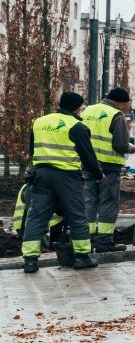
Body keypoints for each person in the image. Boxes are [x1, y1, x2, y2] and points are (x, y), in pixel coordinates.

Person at [20, 92, 104, 273]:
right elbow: (87, 156)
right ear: (76, 107)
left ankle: (30, 260)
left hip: (41, 175)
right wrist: (98, 174)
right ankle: (82, 257)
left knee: (37, 217)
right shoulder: (77, 126)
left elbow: (32, 149)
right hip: (67, 177)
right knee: (77, 215)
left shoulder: (39, 122)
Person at [80, 87, 134, 253]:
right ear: (121, 102)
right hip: (108, 166)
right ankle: (104, 241)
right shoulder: (116, 115)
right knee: (108, 202)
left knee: (89, 201)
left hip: (88, 164)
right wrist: (131, 147)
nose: (126, 108)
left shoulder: (87, 110)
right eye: (126, 104)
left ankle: (85, 240)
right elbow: (120, 144)